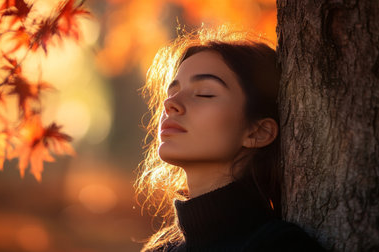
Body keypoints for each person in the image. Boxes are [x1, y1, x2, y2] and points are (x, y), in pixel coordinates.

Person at [135, 26, 325, 252]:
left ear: (258, 132)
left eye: (205, 93)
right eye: (171, 93)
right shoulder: (160, 250)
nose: (170, 104)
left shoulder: (279, 246)